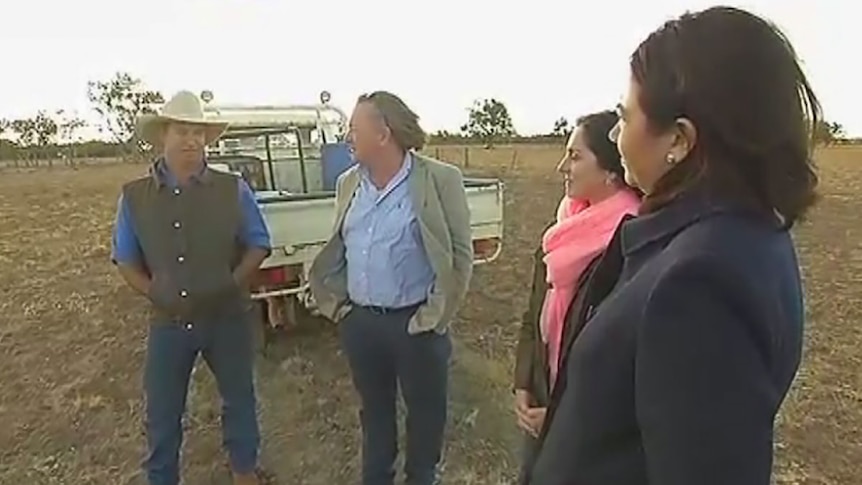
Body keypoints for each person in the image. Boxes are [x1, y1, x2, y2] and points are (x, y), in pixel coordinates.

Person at [526, 6, 819, 485]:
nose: (617, 135)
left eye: (625, 116)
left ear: (679, 140)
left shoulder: (701, 283)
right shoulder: (736, 232)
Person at [308, 91, 473, 485]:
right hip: (362, 324)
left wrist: (432, 318)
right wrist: (343, 311)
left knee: (425, 416)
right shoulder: (349, 183)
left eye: (354, 129)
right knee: (375, 415)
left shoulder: (439, 180)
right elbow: (342, 247)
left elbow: (460, 257)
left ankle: (421, 477)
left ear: (383, 134)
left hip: (415, 325)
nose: (348, 137)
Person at [111, 91, 272, 485]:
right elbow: (125, 260)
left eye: (198, 132)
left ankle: (244, 473)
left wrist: (230, 284)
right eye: (182, 131)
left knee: (239, 399)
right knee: (162, 412)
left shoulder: (232, 189)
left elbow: (259, 243)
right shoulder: (134, 197)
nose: (191, 140)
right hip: (168, 321)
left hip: (227, 318)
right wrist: (155, 292)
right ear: (163, 135)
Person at [512, 110, 640, 481]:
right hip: (542, 401)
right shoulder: (564, 228)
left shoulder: (627, 245)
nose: (561, 167)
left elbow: (615, 362)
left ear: (610, 170)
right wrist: (525, 381)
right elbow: (534, 313)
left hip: (586, 425)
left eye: (575, 156)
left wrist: (559, 414)